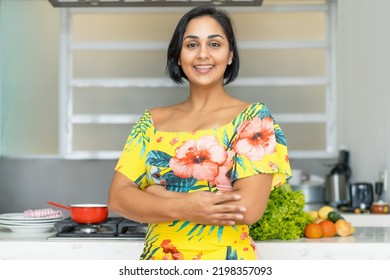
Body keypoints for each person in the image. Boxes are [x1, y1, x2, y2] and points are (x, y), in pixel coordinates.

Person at [108, 5, 291, 260]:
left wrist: (156, 195)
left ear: (230, 55)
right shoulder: (151, 122)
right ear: (178, 56)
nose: (203, 54)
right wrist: (186, 206)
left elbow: (246, 209)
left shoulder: (254, 118)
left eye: (214, 44)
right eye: (191, 45)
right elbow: (118, 198)